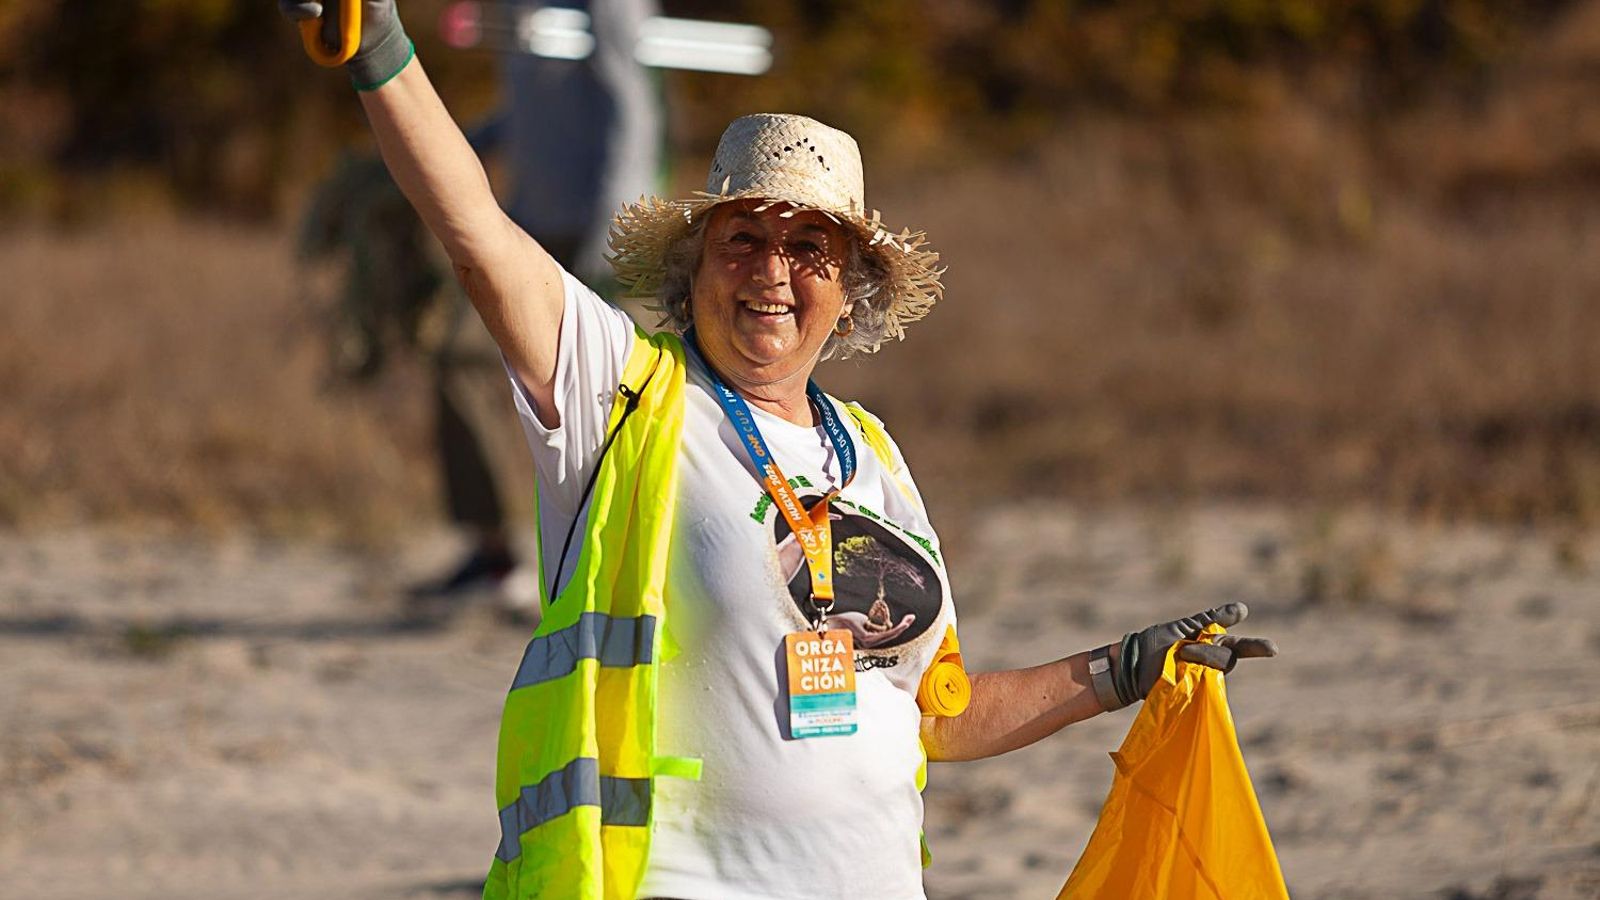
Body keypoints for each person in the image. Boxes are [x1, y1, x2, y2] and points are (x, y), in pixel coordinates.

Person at [277, 3, 1280, 898]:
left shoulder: (874, 455)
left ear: (846, 292)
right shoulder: (619, 393)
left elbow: (942, 711)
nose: (772, 272)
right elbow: (476, 236)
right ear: (695, 265)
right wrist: (384, 50)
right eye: (741, 239)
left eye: (810, 250)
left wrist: (1125, 668)